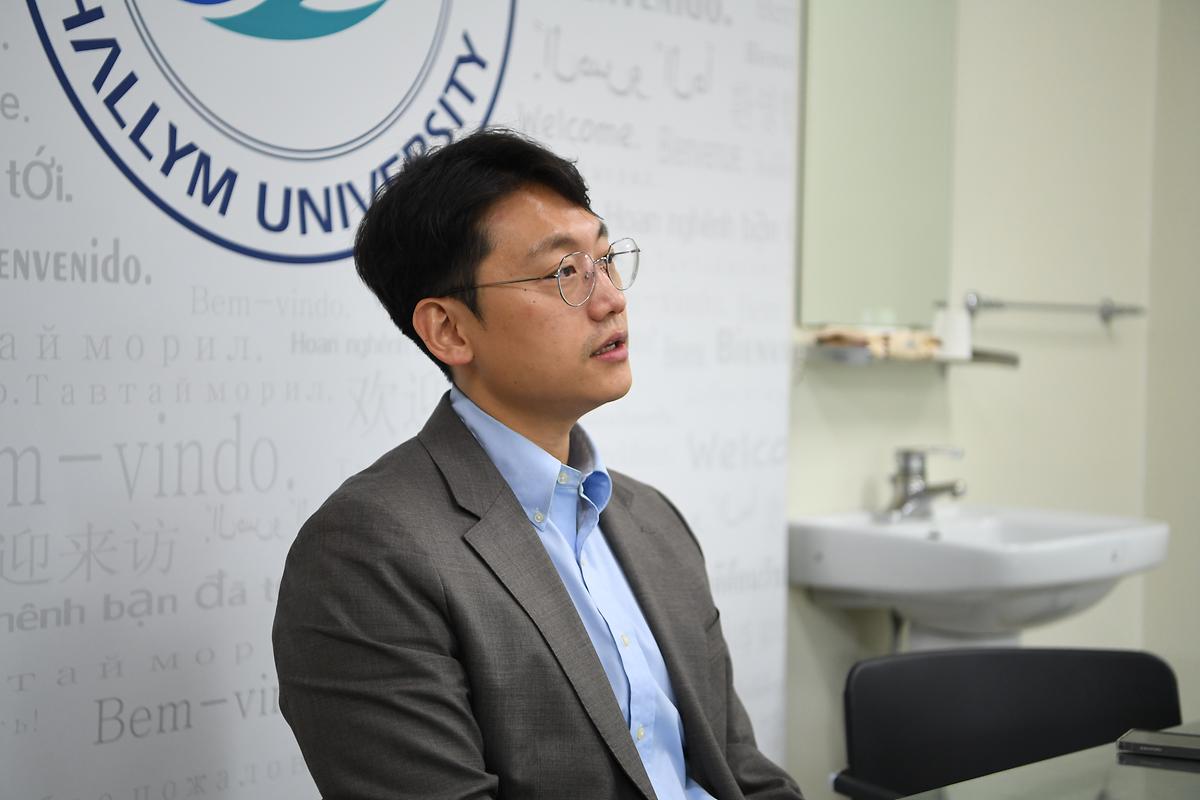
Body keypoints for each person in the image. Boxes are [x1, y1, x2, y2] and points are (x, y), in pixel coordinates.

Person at [272, 129, 803, 800]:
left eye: (606, 261)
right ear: (449, 330)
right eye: (564, 274)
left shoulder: (653, 521)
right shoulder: (367, 552)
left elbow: (743, 773)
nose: (611, 299)